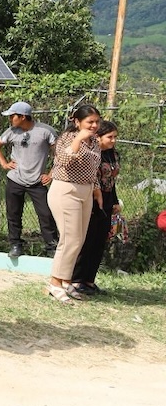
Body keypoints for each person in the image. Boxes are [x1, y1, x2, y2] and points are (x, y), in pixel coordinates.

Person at [46, 104, 103, 302]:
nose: (94, 125)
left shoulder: (95, 142)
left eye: (97, 121)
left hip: (86, 191)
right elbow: (64, 161)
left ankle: (66, 281)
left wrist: (96, 190)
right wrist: (79, 139)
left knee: (78, 240)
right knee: (69, 239)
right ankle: (54, 283)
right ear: (77, 122)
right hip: (66, 190)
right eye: (90, 122)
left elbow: (94, 168)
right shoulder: (67, 139)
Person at [0, 101, 58, 257]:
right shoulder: (11, 131)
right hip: (15, 179)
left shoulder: (45, 131)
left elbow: (59, 153)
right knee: (13, 213)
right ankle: (15, 244)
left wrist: (51, 174)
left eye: (12, 116)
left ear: (22, 117)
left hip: (37, 181)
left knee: (46, 214)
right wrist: (4, 163)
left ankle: (52, 247)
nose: (10, 119)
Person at [72, 120, 120, 296]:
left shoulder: (113, 155)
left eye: (115, 137)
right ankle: (76, 280)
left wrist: (114, 202)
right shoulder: (93, 154)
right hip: (91, 200)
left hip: (107, 201)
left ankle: (89, 281)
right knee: (87, 241)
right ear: (98, 137)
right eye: (110, 137)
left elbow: (112, 181)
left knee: (99, 242)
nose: (113, 140)